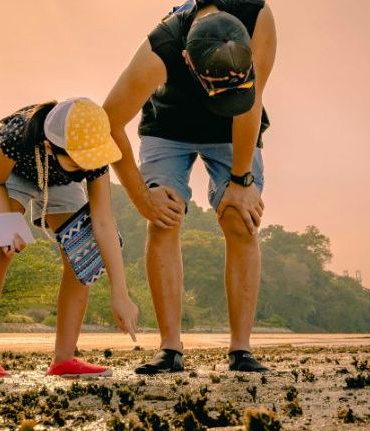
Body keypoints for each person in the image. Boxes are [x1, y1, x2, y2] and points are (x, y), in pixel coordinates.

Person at [103, 0, 276, 373]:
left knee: (239, 218)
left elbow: (251, 102)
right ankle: (170, 348)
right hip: (170, 126)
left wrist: (241, 182)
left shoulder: (257, 17)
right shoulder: (161, 49)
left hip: (235, 121)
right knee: (164, 217)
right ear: (186, 59)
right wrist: (140, 196)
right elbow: (110, 122)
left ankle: (241, 349)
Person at [0, 97, 139, 378]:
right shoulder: (17, 134)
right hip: (13, 173)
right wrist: (7, 228)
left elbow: (103, 222)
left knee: (84, 254)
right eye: (78, 162)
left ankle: (64, 359)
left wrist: (120, 292)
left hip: (61, 182)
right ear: (50, 146)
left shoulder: (93, 152)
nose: (87, 168)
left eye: (89, 163)